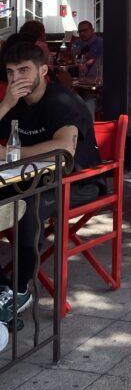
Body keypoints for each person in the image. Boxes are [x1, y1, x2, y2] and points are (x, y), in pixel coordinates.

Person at [0, 42, 102, 325]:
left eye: (23, 70)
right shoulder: (14, 103)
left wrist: (10, 153)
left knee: (27, 204)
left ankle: (20, 290)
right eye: (10, 72)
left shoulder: (62, 100)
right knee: (23, 196)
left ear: (43, 70)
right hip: (29, 177)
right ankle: (2, 288)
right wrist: (6, 103)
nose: (16, 78)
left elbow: (62, 152)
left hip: (77, 181)